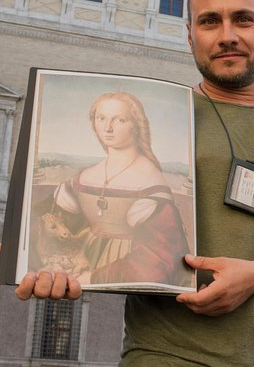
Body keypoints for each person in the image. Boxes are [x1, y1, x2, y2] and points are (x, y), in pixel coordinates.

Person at [0, 0, 254, 366]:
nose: (227, 35)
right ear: (190, 35)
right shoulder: (160, 116)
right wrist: (45, 258)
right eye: (209, 22)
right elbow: (86, 231)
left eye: (243, 19)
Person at [34, 91, 192, 287]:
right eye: (101, 118)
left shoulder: (150, 180)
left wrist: (94, 277)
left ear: (135, 124)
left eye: (119, 120)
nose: (107, 128)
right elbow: (55, 221)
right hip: (84, 257)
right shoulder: (85, 176)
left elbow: (162, 255)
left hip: (125, 268)